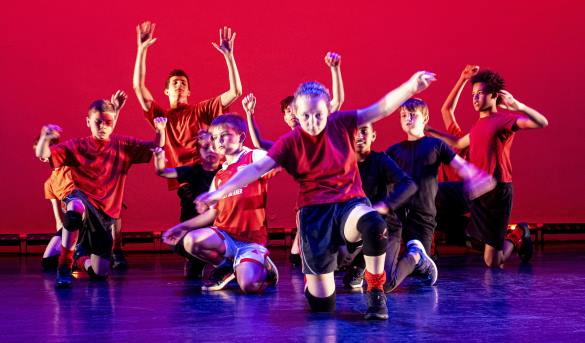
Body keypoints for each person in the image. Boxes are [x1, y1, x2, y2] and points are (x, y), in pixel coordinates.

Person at [197, 71, 437, 320]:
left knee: (374, 222)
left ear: (329, 110)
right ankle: (315, 284)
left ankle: (375, 291)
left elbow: (382, 107)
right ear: (297, 115)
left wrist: (411, 86)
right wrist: (219, 192)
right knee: (323, 305)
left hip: (348, 204)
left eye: (319, 115)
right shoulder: (291, 141)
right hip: (314, 216)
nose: (312, 122)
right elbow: (257, 167)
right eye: (306, 116)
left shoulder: (342, 123)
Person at [35, 93, 165, 288]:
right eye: (98, 122)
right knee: (75, 206)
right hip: (81, 207)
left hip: (103, 216)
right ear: (88, 122)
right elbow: (43, 154)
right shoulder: (78, 146)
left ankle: (80, 258)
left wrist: (160, 131)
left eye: (107, 122)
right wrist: (45, 137)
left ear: (113, 123)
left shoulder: (123, 145)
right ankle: (64, 265)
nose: (102, 126)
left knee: (99, 273)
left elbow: (155, 146)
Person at [430, 69, 548, 268]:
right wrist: (432, 131)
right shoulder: (477, 126)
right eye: (473, 95)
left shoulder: (504, 121)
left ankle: (516, 235)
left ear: (494, 95)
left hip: (497, 193)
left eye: (480, 93)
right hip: (475, 189)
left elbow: (542, 122)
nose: (475, 98)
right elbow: (459, 143)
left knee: (492, 262)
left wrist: (519, 106)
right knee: (434, 193)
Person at [133, 21, 242, 221]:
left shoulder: (202, 109)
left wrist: (229, 56)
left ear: (189, 91)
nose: (179, 85)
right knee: (189, 234)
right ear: (167, 91)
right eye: (175, 83)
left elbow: (235, 92)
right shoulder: (162, 117)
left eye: (183, 83)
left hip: (212, 174)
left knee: (221, 227)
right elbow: (139, 88)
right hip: (188, 181)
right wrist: (141, 50)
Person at [243, 52, 344, 265]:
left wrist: (335, 70)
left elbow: (337, 102)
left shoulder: (318, 127)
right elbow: (260, 143)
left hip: (335, 190)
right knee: (301, 248)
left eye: (293, 110)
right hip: (312, 197)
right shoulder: (290, 143)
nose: (290, 114)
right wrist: (250, 115)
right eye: (286, 112)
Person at [385, 98, 495, 292]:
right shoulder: (394, 151)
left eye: (413, 115)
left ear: (425, 118)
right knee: (387, 275)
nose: (408, 119)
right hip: (399, 219)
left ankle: (419, 257)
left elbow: (462, 167)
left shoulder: (435, 145)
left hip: (423, 219)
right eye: (403, 115)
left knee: (406, 268)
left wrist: (477, 177)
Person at [162, 114, 278, 293]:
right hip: (226, 237)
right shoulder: (219, 175)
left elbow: (274, 159)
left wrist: (251, 117)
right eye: (215, 137)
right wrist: (182, 227)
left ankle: (265, 268)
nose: (219, 141)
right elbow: (211, 214)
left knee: (248, 286)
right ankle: (225, 267)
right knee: (191, 241)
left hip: (250, 241)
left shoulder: (253, 157)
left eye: (225, 135)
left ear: (241, 136)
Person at [341, 123, 418, 288]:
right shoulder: (344, 164)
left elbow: (409, 184)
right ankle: (361, 265)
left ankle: (416, 256)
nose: (359, 136)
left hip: (385, 227)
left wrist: (386, 205)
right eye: (355, 131)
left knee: (386, 284)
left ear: (373, 136)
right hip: (361, 230)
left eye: (364, 131)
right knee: (344, 272)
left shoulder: (380, 160)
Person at [154, 130, 222, 278]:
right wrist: (159, 156)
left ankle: (223, 263)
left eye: (214, 147)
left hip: (219, 227)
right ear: (198, 151)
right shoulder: (192, 171)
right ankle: (196, 260)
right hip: (194, 227)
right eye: (205, 147)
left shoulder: (226, 171)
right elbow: (162, 171)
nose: (210, 151)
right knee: (179, 243)